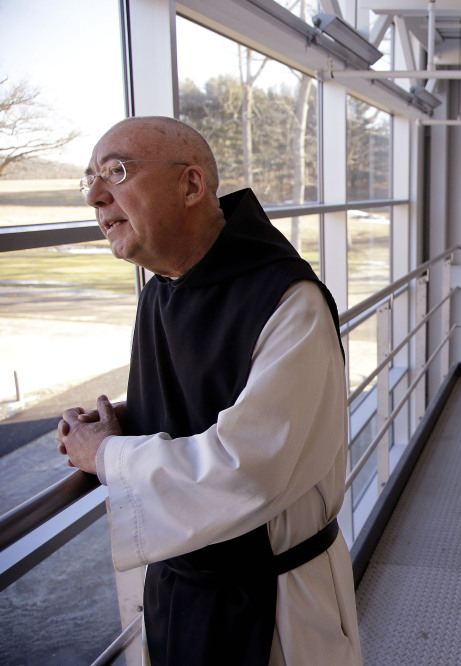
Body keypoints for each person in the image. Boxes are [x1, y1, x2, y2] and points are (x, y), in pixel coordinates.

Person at [55, 116, 361, 665]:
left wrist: (105, 455)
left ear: (191, 186)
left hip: (275, 604)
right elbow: (214, 397)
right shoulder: (159, 292)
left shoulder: (289, 302)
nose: (97, 197)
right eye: (91, 179)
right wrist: (131, 416)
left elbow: (250, 465)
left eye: (116, 172)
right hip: (179, 590)